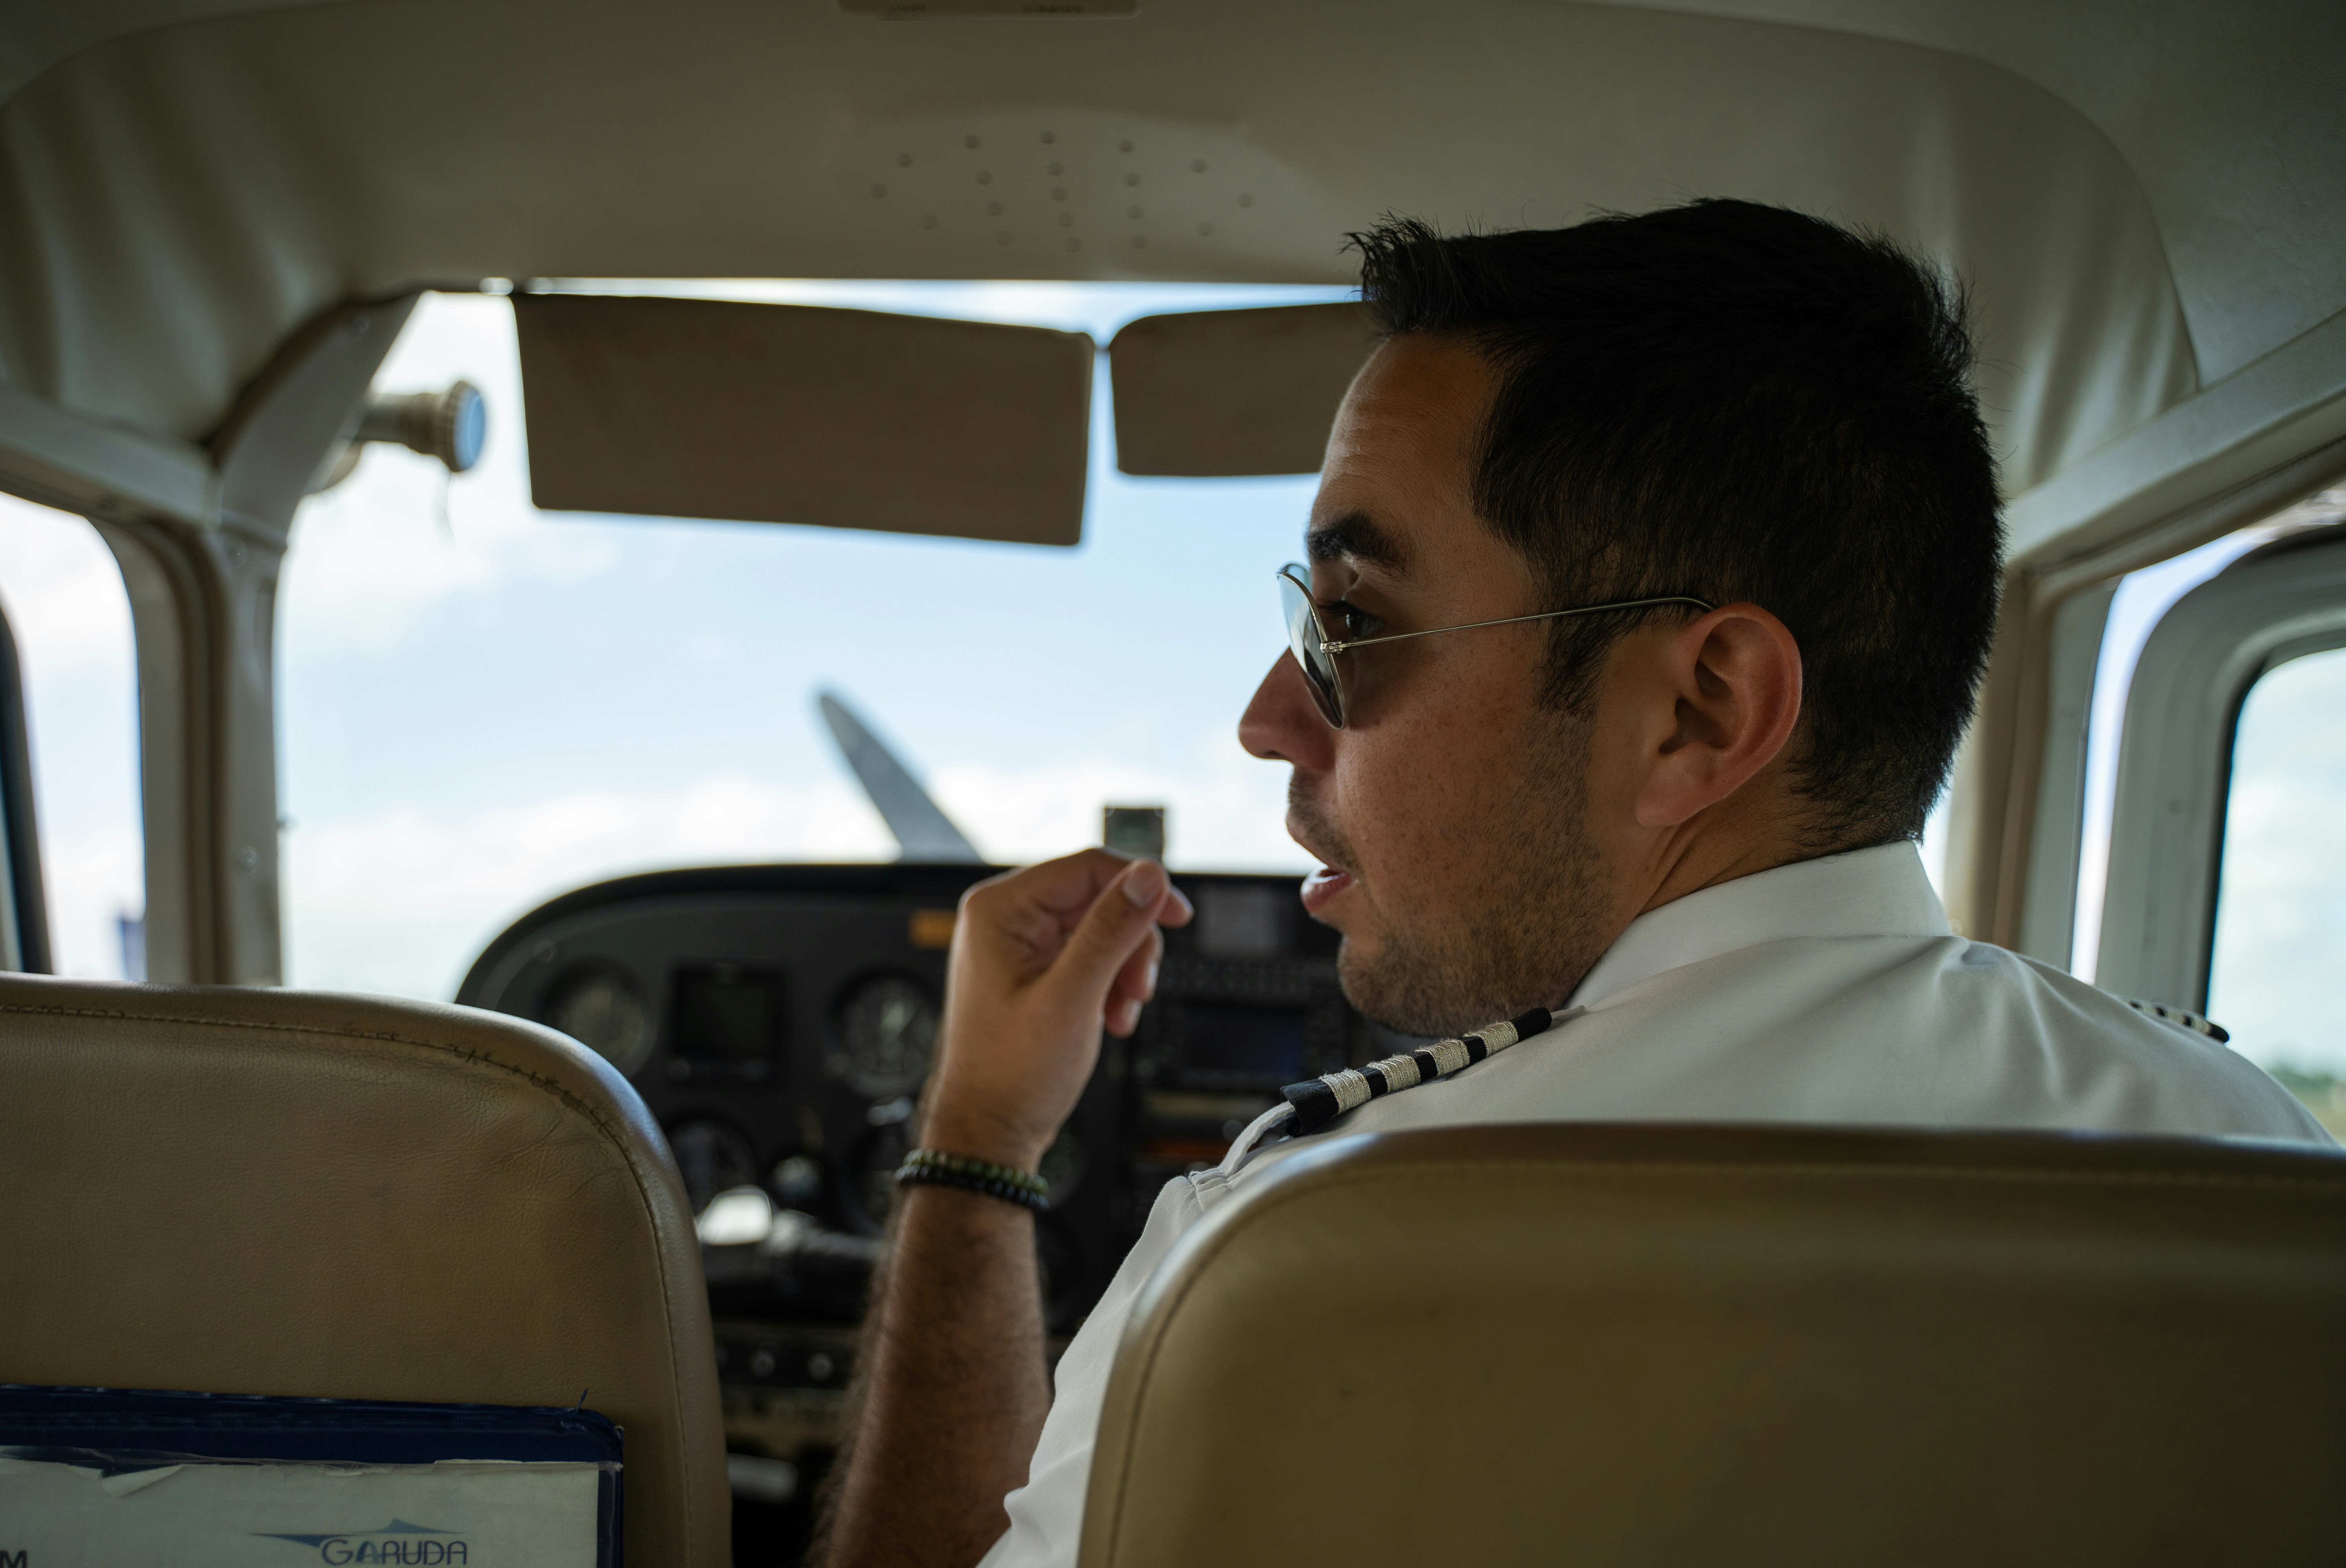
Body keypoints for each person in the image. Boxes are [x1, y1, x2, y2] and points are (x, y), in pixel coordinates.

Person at [814, 201, 2331, 1568]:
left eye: (1353, 618)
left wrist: (975, 1147)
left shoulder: (1294, 1259)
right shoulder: (2244, 1157)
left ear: (1700, 711)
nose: (1270, 717)